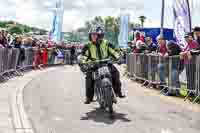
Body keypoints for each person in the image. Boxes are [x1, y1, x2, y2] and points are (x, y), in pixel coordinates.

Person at [79, 27, 125, 104]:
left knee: (116, 73)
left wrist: (119, 57)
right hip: (94, 66)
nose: (92, 37)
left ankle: (118, 92)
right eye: (91, 35)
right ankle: (88, 97)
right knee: (89, 78)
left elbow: (114, 51)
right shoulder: (88, 45)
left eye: (94, 35)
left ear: (100, 36)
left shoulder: (106, 43)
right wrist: (82, 62)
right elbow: (84, 56)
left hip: (106, 64)